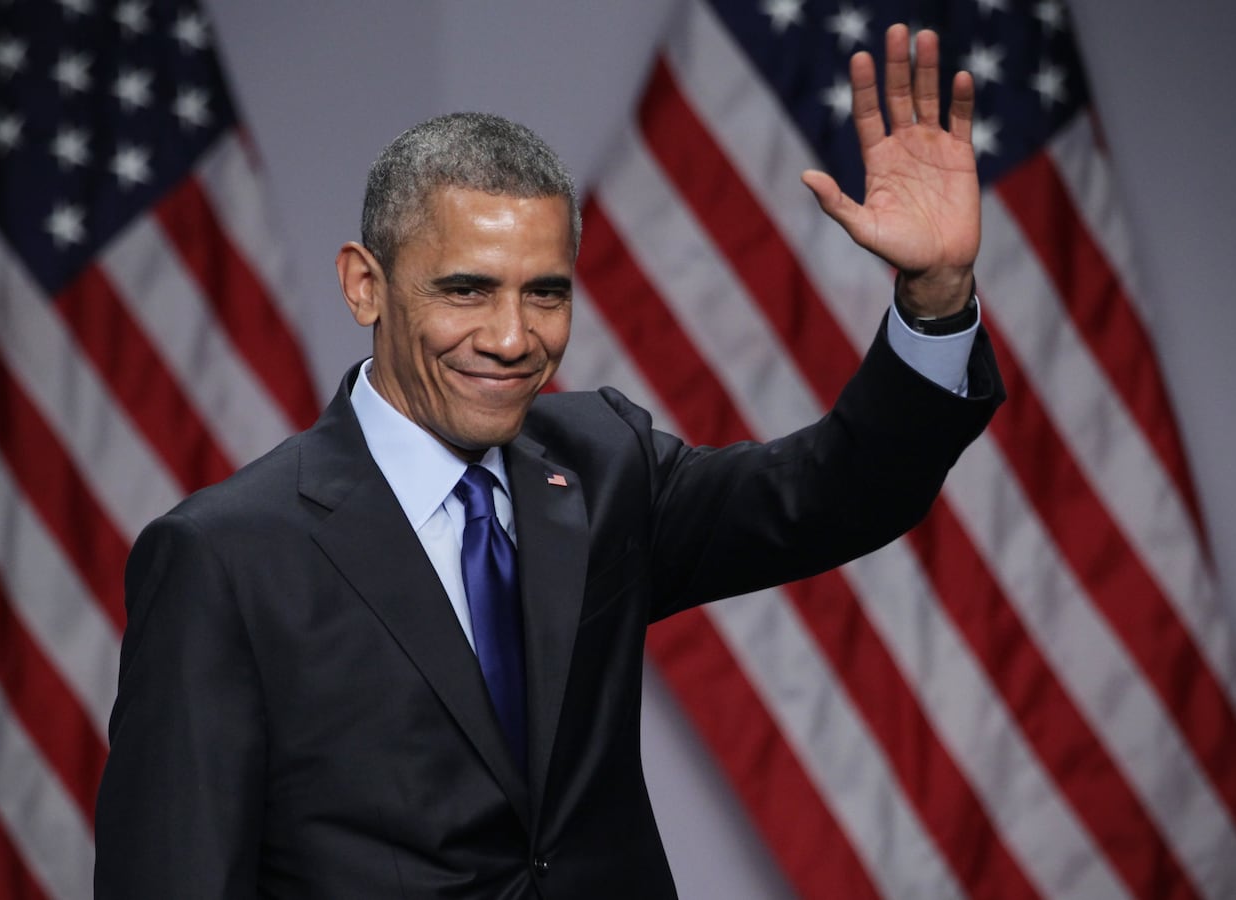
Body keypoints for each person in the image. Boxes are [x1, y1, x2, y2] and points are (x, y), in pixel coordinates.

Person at [95, 24, 1002, 899]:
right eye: (467, 290)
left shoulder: (602, 464)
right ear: (365, 285)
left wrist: (936, 294)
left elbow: (830, 494)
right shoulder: (227, 557)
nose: (511, 337)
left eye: (545, 294)